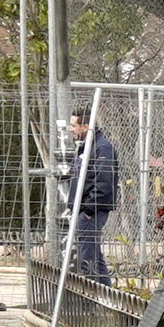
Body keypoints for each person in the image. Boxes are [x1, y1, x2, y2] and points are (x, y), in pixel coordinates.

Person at [63, 108, 122, 285]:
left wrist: (89, 209)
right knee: (94, 256)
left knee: (87, 258)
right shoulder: (87, 147)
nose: (71, 129)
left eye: (74, 126)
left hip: (91, 212)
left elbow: (104, 182)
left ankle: (91, 299)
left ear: (86, 126)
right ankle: (106, 296)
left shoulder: (101, 148)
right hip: (85, 210)